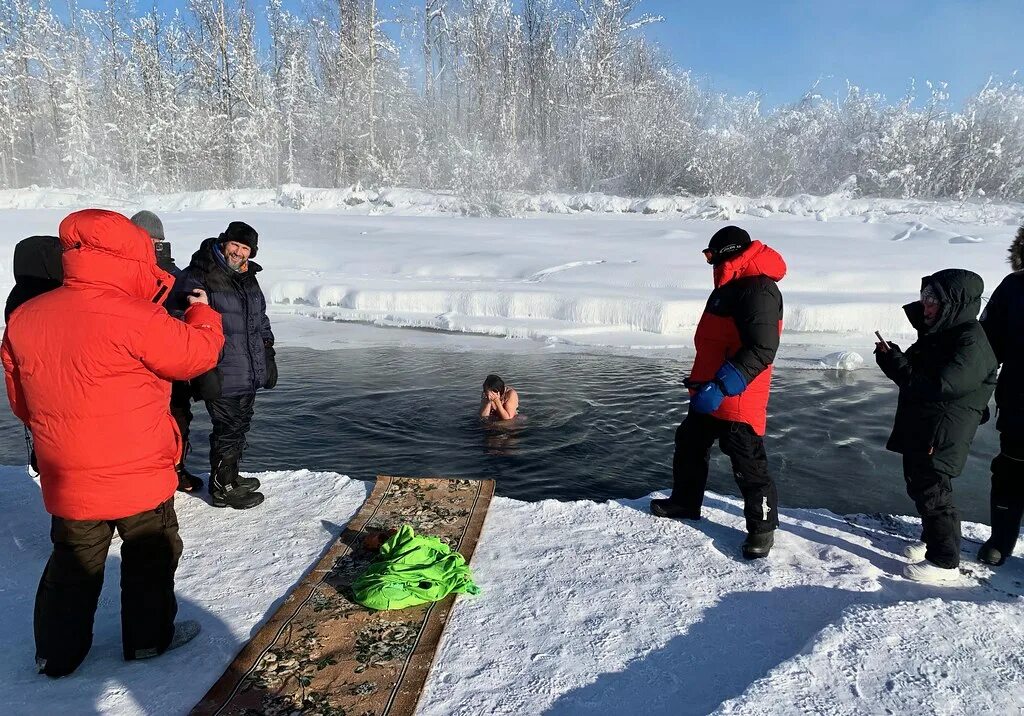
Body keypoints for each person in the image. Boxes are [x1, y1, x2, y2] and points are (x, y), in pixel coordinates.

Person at [1, 209, 225, 677]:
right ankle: (147, 642)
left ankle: (56, 656)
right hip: (138, 470)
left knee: (72, 565)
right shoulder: (136, 316)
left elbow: (23, 404)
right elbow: (197, 355)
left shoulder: (26, 317)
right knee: (150, 556)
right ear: (134, 256)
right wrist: (203, 313)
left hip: (68, 473)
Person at [650, 226, 785, 560]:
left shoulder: (759, 289)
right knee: (690, 443)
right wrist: (705, 383)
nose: (708, 261)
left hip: (737, 395)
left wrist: (724, 385)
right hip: (710, 391)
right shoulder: (732, 285)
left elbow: (763, 348)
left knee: (748, 463)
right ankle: (685, 501)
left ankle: (762, 529)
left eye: (711, 255)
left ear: (728, 254)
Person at [875, 269, 997, 583]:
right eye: (924, 297)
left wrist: (897, 366)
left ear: (952, 303)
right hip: (928, 424)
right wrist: (896, 357)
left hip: (944, 429)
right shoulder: (943, 333)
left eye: (932, 299)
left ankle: (945, 562)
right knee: (920, 483)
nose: (925, 305)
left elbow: (941, 385)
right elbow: (919, 373)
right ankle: (932, 542)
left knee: (933, 491)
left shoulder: (970, 339)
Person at [174, 221, 277, 510]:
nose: (239, 252)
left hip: (249, 366)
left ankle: (229, 476)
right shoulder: (200, 274)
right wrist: (202, 363)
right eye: (235, 245)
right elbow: (180, 317)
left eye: (246, 248)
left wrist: (267, 351)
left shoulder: (247, 278)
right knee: (228, 426)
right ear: (224, 243)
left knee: (240, 424)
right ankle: (222, 489)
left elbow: (260, 319)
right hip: (219, 367)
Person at [131, 210, 203, 493]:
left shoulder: (177, 276)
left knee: (178, 415)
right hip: (134, 366)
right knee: (139, 421)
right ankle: (144, 473)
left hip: (170, 363)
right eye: (142, 238)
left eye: (152, 239)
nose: (150, 243)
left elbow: (191, 311)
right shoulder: (123, 273)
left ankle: (177, 468)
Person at [978, 225, 1024, 566]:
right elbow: (986, 349)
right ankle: (1001, 540)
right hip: (1020, 404)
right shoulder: (1014, 287)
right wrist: (975, 397)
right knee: (1011, 471)